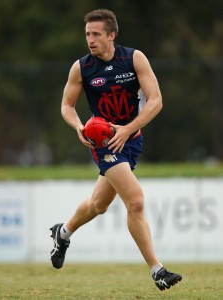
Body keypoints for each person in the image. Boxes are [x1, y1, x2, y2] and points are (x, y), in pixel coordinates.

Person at [50, 8, 182, 291]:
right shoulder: (82, 67)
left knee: (99, 205)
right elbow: (66, 106)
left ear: (112, 35)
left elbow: (156, 101)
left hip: (131, 140)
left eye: (96, 34)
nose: (90, 40)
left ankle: (62, 232)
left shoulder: (134, 58)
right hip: (104, 143)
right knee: (135, 201)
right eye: (87, 34)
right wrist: (78, 126)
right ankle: (157, 270)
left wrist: (127, 129)